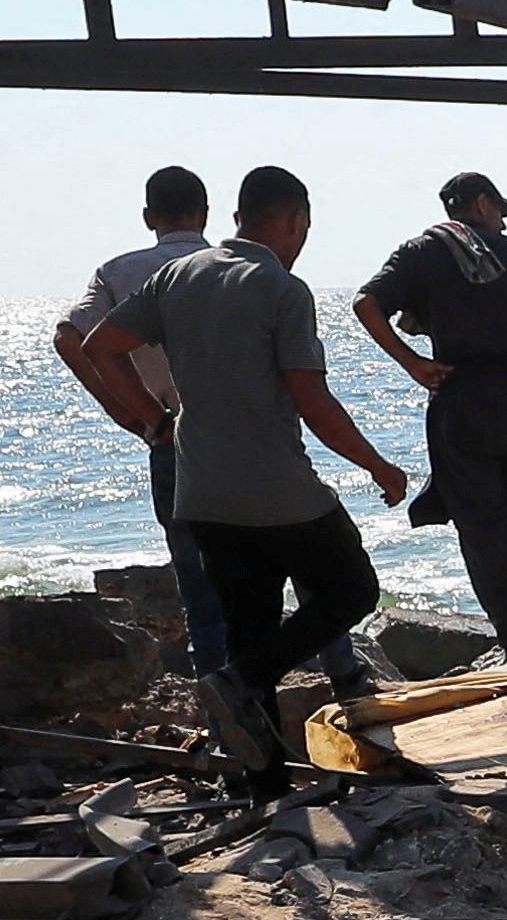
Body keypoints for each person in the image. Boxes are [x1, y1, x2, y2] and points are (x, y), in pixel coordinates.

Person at [90, 165, 412, 769]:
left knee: (248, 626)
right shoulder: (283, 289)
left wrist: (153, 420)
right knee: (353, 588)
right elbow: (312, 399)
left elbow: (98, 346)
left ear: (238, 218)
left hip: (200, 492)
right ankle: (242, 680)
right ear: (295, 220)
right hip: (278, 489)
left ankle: (263, 782)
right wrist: (377, 465)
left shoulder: (176, 276)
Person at [351, 169, 507, 657]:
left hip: (459, 397)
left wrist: (412, 363)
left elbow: (367, 304)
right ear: (481, 204)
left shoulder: (419, 252)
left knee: (481, 529)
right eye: (500, 211)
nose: (503, 223)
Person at [53, 164, 233, 683]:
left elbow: (69, 338)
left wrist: (129, 411)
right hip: (239, 430)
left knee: (196, 578)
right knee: (263, 565)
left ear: (149, 217)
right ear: (205, 214)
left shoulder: (118, 273)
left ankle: (216, 688)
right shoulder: (233, 266)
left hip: (170, 432)